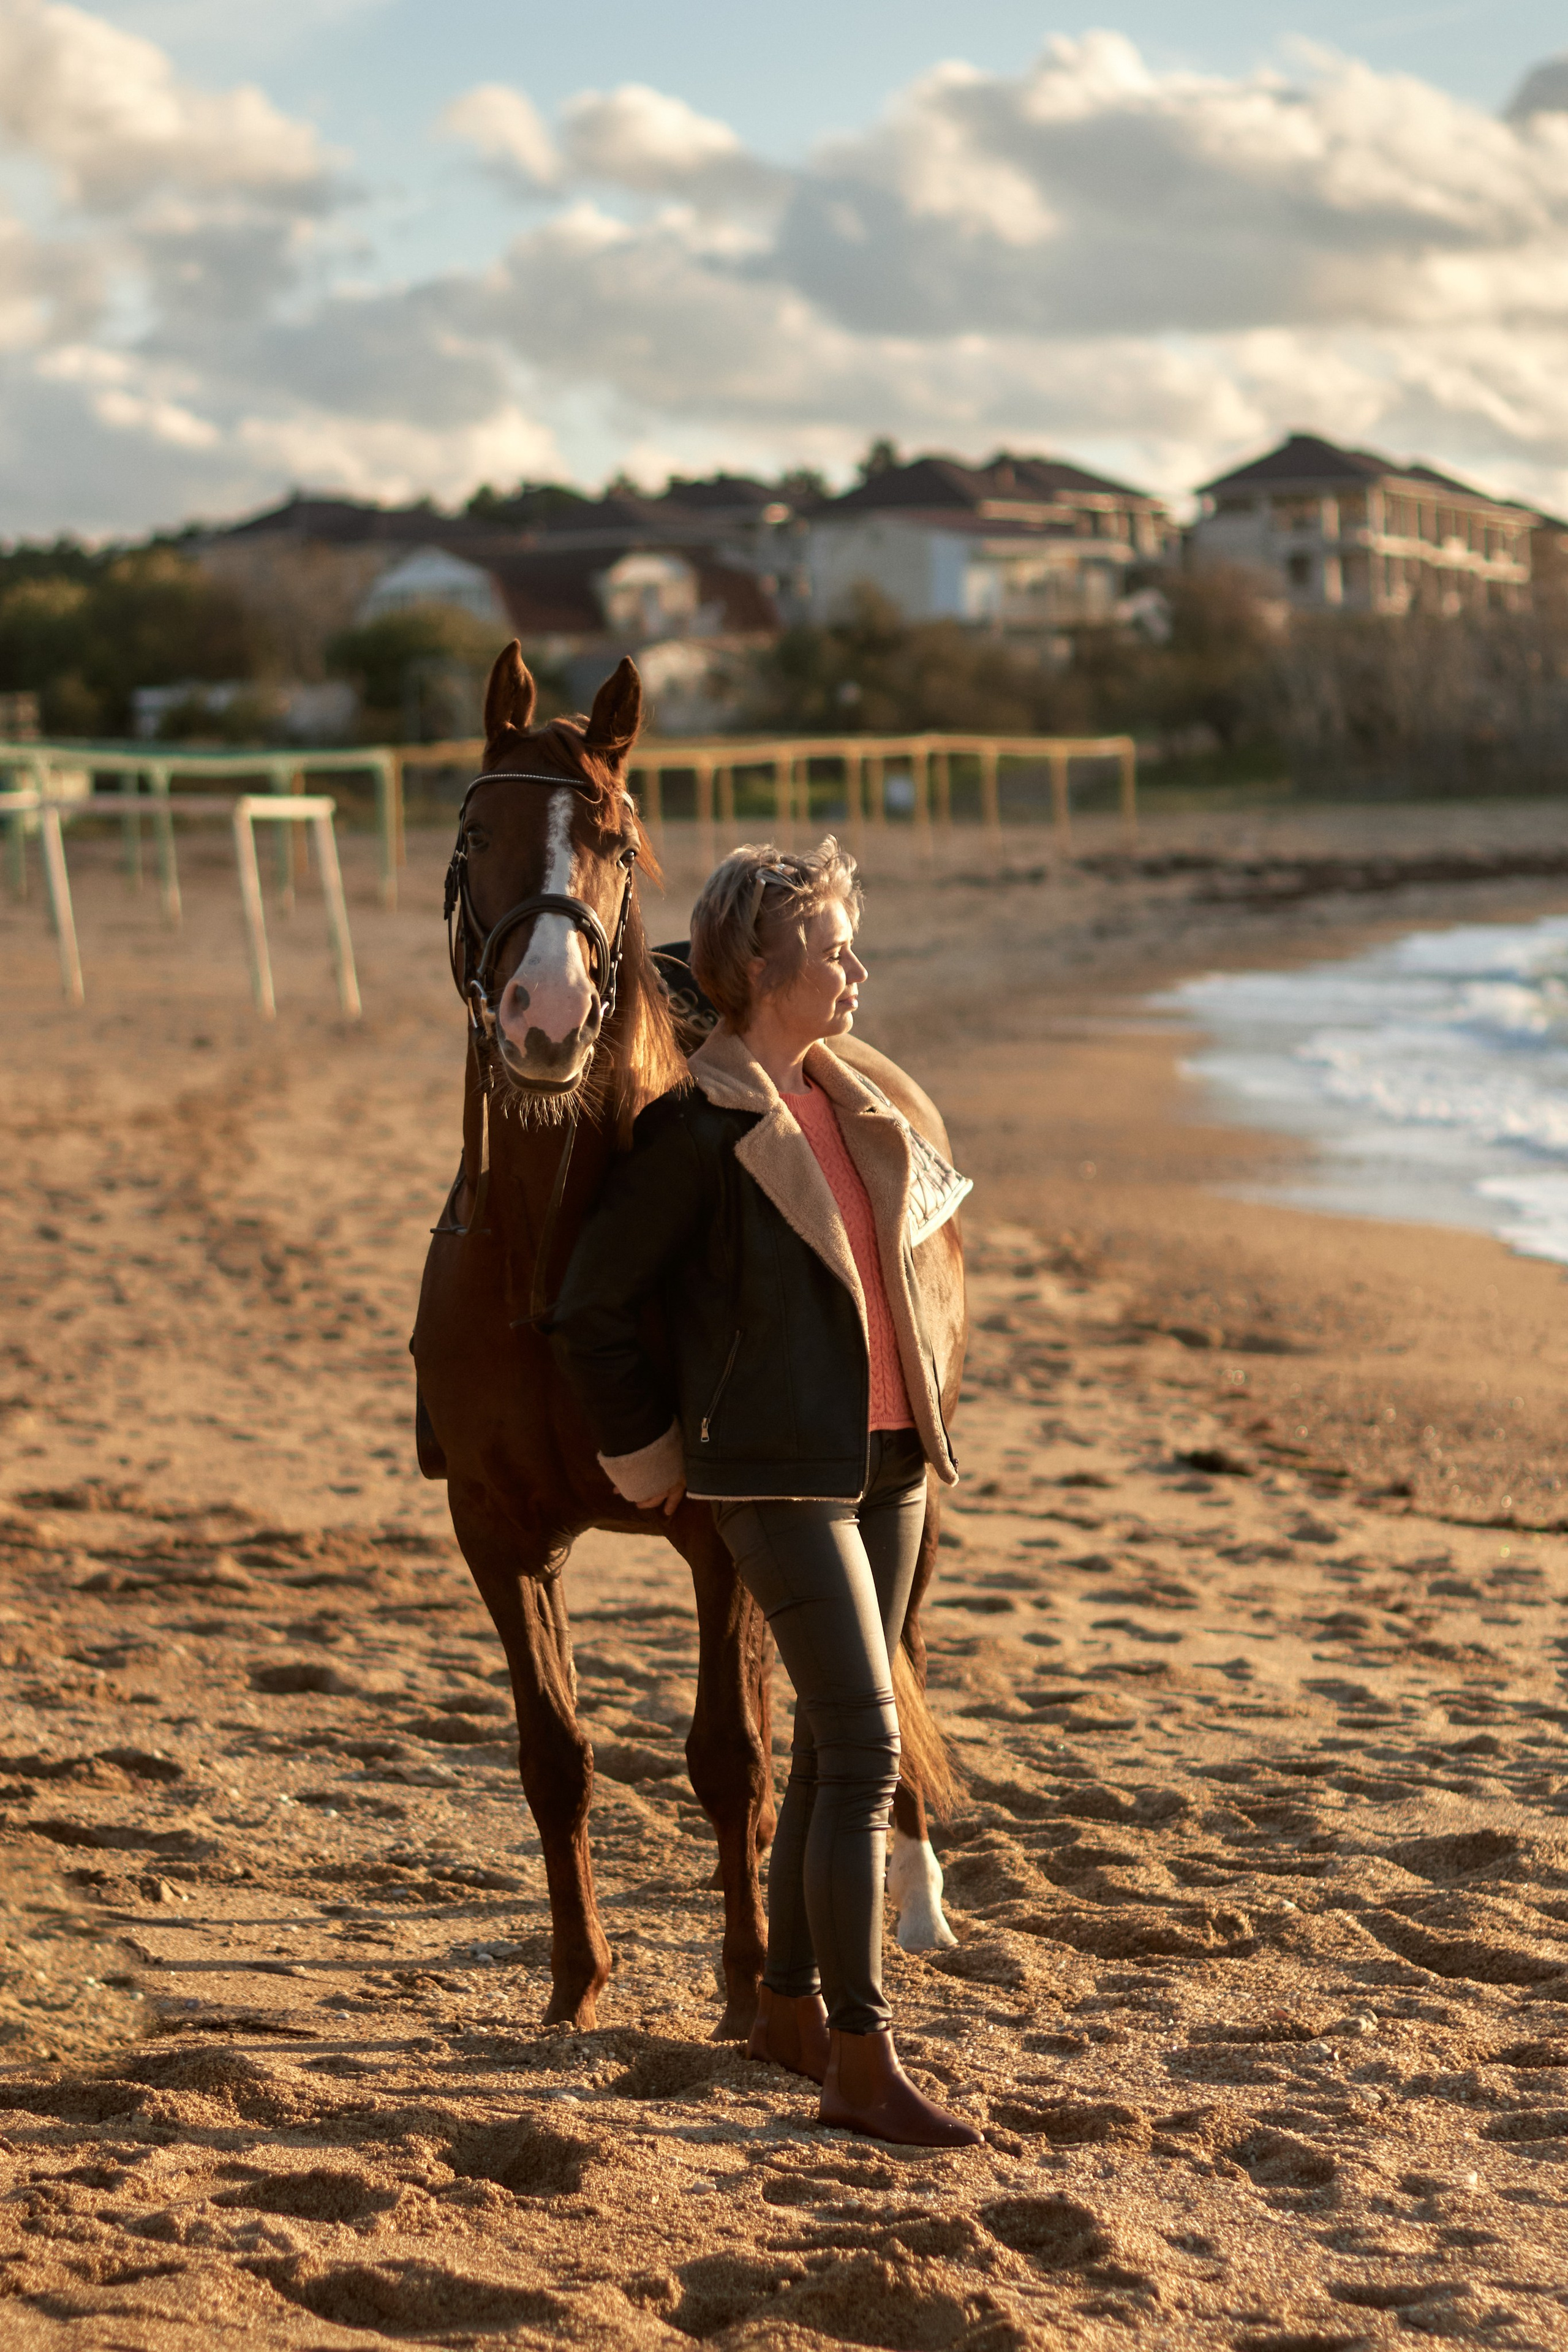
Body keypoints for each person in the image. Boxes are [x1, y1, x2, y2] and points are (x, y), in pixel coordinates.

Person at [550, 837, 979, 2149]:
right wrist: (664, 1458)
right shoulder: (697, 1132)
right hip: (775, 1482)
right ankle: (860, 2057)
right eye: (831, 949)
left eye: (850, 946)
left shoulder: (853, 1101)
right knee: (859, 1749)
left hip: (889, 1464)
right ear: (759, 967)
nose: (853, 970)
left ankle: (787, 2007)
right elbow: (589, 1312)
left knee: (822, 1755)